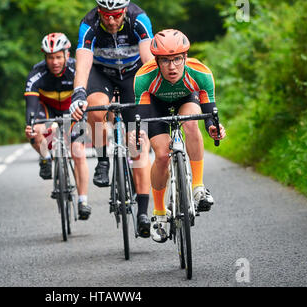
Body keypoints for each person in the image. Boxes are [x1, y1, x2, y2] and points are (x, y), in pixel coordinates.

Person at [70, 0, 154, 238]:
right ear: (99, 12)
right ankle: (103, 159)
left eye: (116, 15)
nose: (111, 21)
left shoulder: (139, 19)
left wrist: (156, 88)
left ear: (124, 11)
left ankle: (143, 214)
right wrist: (78, 92)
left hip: (132, 74)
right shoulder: (89, 24)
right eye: (105, 15)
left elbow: (148, 58)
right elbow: (83, 62)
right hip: (101, 74)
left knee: (136, 142)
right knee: (95, 109)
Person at [133, 29, 226, 242]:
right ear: (156, 61)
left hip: (186, 100)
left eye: (177, 59)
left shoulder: (200, 73)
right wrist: (138, 136)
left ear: (185, 57)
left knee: (191, 123)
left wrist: (214, 128)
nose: (172, 66)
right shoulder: (144, 77)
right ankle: (158, 212)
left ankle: (198, 188)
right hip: (156, 106)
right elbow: (143, 118)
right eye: (165, 61)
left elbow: (209, 111)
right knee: (163, 156)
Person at [24, 33, 91, 220]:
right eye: (50, 57)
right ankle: (46, 158)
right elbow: (30, 107)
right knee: (34, 131)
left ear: (67, 55)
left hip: (72, 108)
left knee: (78, 150)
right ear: (45, 57)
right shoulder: (37, 74)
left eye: (58, 57)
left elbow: (86, 95)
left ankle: (83, 201)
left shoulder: (76, 69)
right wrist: (30, 126)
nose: (54, 62)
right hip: (48, 109)